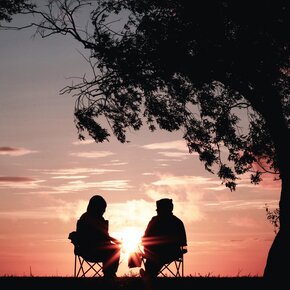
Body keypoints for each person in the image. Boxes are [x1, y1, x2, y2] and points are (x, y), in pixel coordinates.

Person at [75, 195, 121, 278]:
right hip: (90, 251)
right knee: (115, 249)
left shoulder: (90, 218)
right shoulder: (88, 219)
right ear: (97, 207)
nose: (104, 210)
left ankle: (109, 273)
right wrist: (116, 241)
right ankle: (109, 274)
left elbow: (104, 236)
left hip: (89, 250)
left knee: (114, 248)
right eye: (103, 208)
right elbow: (102, 236)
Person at [140, 198, 187, 278]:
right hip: (172, 253)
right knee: (155, 258)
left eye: (158, 209)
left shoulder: (154, 221)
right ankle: (149, 275)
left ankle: (149, 275)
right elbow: (183, 242)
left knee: (154, 258)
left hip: (158, 253)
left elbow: (145, 238)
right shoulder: (177, 222)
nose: (157, 211)